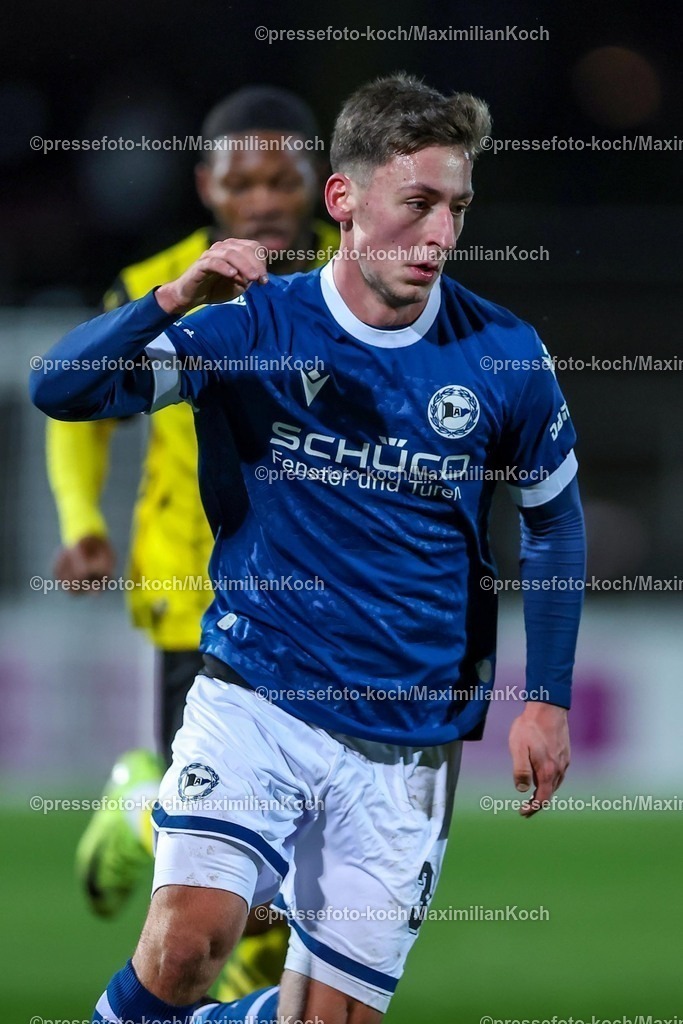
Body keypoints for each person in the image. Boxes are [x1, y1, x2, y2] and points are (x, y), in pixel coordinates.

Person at [31, 73, 586, 1024]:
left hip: (408, 743)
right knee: (187, 944)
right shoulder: (252, 326)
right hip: (257, 696)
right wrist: (168, 300)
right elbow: (62, 390)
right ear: (344, 199)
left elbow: (553, 523)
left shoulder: (502, 354)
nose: (440, 235)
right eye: (417, 204)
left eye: (456, 207)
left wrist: (546, 697)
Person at [45, 84, 337, 1000]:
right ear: (208, 185)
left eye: (282, 179)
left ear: (318, 183)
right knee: (237, 873)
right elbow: (75, 409)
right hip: (194, 585)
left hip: (318, 594)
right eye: (242, 180)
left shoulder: (354, 280)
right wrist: (81, 522)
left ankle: (143, 804)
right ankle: (150, 812)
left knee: (293, 853)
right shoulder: (158, 284)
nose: (263, 200)